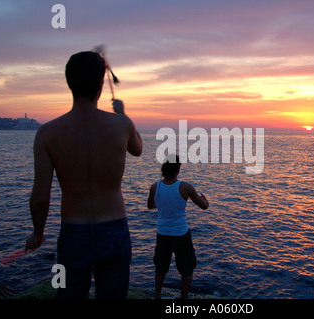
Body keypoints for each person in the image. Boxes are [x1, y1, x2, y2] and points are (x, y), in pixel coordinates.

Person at [25, 51, 143, 299]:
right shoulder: (121, 125)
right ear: (101, 84)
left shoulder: (47, 133)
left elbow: (40, 197)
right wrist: (123, 113)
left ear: (69, 83)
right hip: (113, 231)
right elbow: (138, 149)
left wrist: (38, 232)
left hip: (73, 234)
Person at [147, 155, 209, 299]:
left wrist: (163, 204)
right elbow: (204, 206)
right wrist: (206, 200)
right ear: (178, 169)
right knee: (186, 268)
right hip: (181, 233)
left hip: (162, 233)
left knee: (161, 267)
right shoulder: (185, 187)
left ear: (163, 169)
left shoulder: (155, 187)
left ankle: (157, 296)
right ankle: (183, 298)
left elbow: (150, 205)